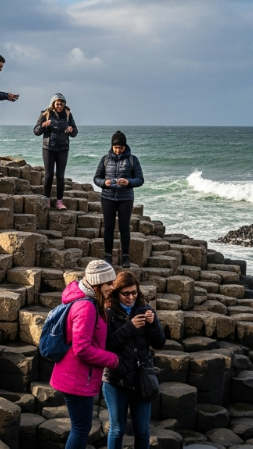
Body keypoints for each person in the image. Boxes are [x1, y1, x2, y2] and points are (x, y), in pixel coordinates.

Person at [49, 260, 120, 449]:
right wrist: (112, 359)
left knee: (80, 427)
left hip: (75, 375)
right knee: (81, 428)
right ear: (97, 284)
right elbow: (82, 348)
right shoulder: (86, 307)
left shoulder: (88, 302)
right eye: (109, 284)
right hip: (76, 378)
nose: (112, 288)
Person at [103, 272, 166, 449]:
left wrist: (153, 324)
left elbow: (160, 342)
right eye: (126, 293)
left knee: (143, 431)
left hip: (142, 379)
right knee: (116, 429)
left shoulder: (146, 310)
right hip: (116, 380)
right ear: (116, 293)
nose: (131, 297)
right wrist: (130, 327)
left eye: (134, 292)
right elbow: (106, 346)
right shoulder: (107, 313)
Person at [93, 131, 144, 268]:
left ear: (125, 146)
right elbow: (96, 178)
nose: (118, 150)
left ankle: (125, 257)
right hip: (107, 197)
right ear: (112, 146)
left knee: (124, 227)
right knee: (108, 227)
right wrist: (104, 183)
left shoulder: (133, 160)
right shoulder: (105, 159)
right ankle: (108, 255)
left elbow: (140, 179)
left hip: (125, 198)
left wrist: (128, 182)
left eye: (120, 148)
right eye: (115, 148)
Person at [33, 93, 78, 210]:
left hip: (63, 148)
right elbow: (36, 131)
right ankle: (47, 198)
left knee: (60, 176)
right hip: (48, 147)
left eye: (61, 104)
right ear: (53, 103)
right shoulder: (45, 113)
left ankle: (59, 201)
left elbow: (75, 132)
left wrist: (71, 130)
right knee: (48, 175)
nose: (59, 106)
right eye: (57, 104)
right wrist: (43, 125)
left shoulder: (68, 115)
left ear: (64, 104)